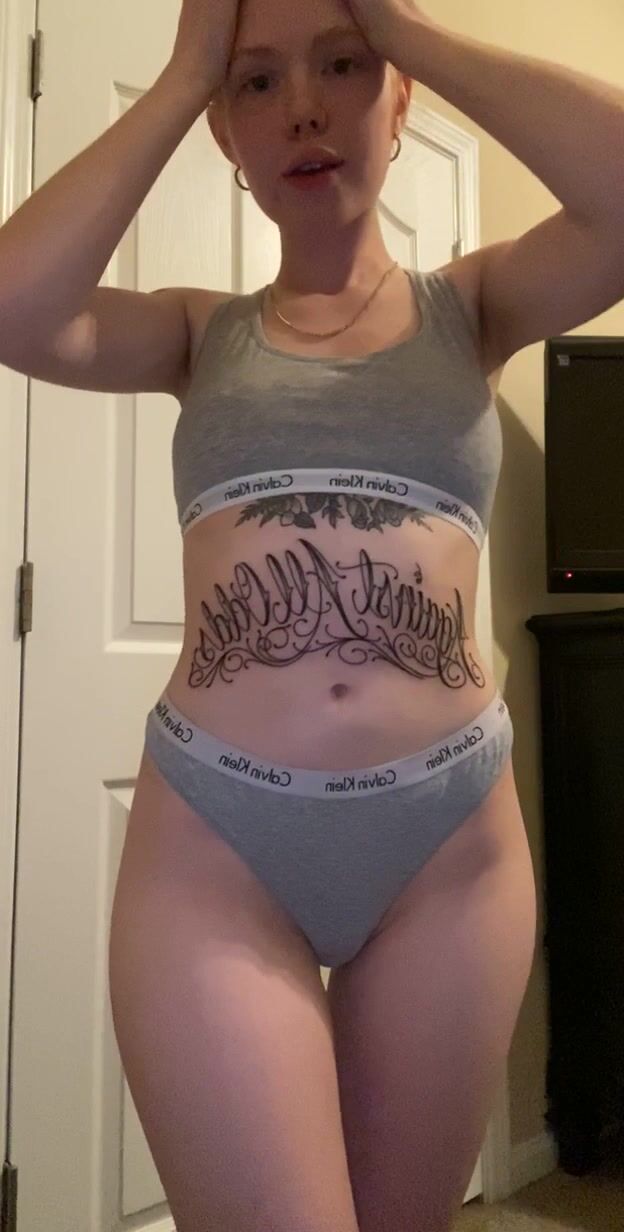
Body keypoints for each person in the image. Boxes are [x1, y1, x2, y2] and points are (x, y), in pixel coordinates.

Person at [0, 0, 537, 1228]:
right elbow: (14, 302)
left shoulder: (476, 306)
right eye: (255, 83)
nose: (302, 107)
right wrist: (186, 71)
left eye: (344, 65)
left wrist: (414, 32)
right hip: (218, 843)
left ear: (400, 98)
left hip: (449, 849)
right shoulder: (201, 333)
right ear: (225, 134)